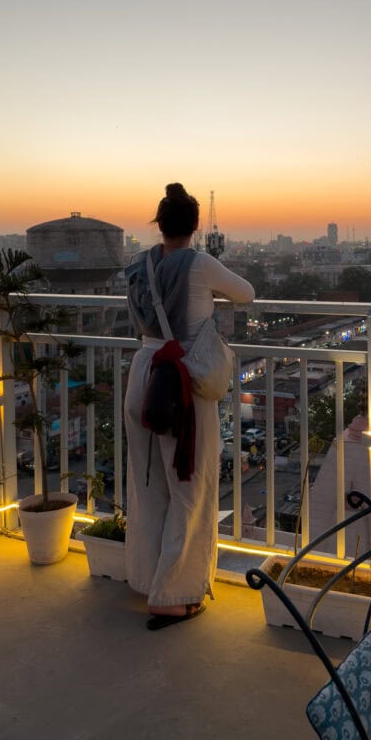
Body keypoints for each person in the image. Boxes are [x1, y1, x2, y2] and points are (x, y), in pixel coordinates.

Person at [123, 183, 255, 630]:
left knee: (148, 484)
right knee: (190, 488)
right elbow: (247, 293)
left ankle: (145, 578)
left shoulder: (138, 264)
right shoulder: (201, 263)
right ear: (196, 226)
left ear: (159, 224)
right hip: (181, 380)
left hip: (143, 373)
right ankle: (173, 595)